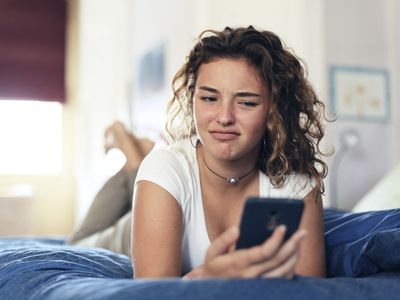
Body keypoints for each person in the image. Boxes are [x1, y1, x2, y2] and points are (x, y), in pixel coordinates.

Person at [132, 26, 329, 279]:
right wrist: (209, 278)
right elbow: (150, 294)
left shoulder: (297, 184)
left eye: (246, 102)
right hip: (126, 223)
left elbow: (312, 291)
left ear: (273, 110)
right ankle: (127, 153)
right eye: (209, 99)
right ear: (192, 100)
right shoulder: (164, 168)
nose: (224, 118)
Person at [68, 121, 154, 255]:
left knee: (78, 243)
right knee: (79, 241)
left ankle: (132, 153)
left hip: (86, 244)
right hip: (97, 239)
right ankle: (132, 154)